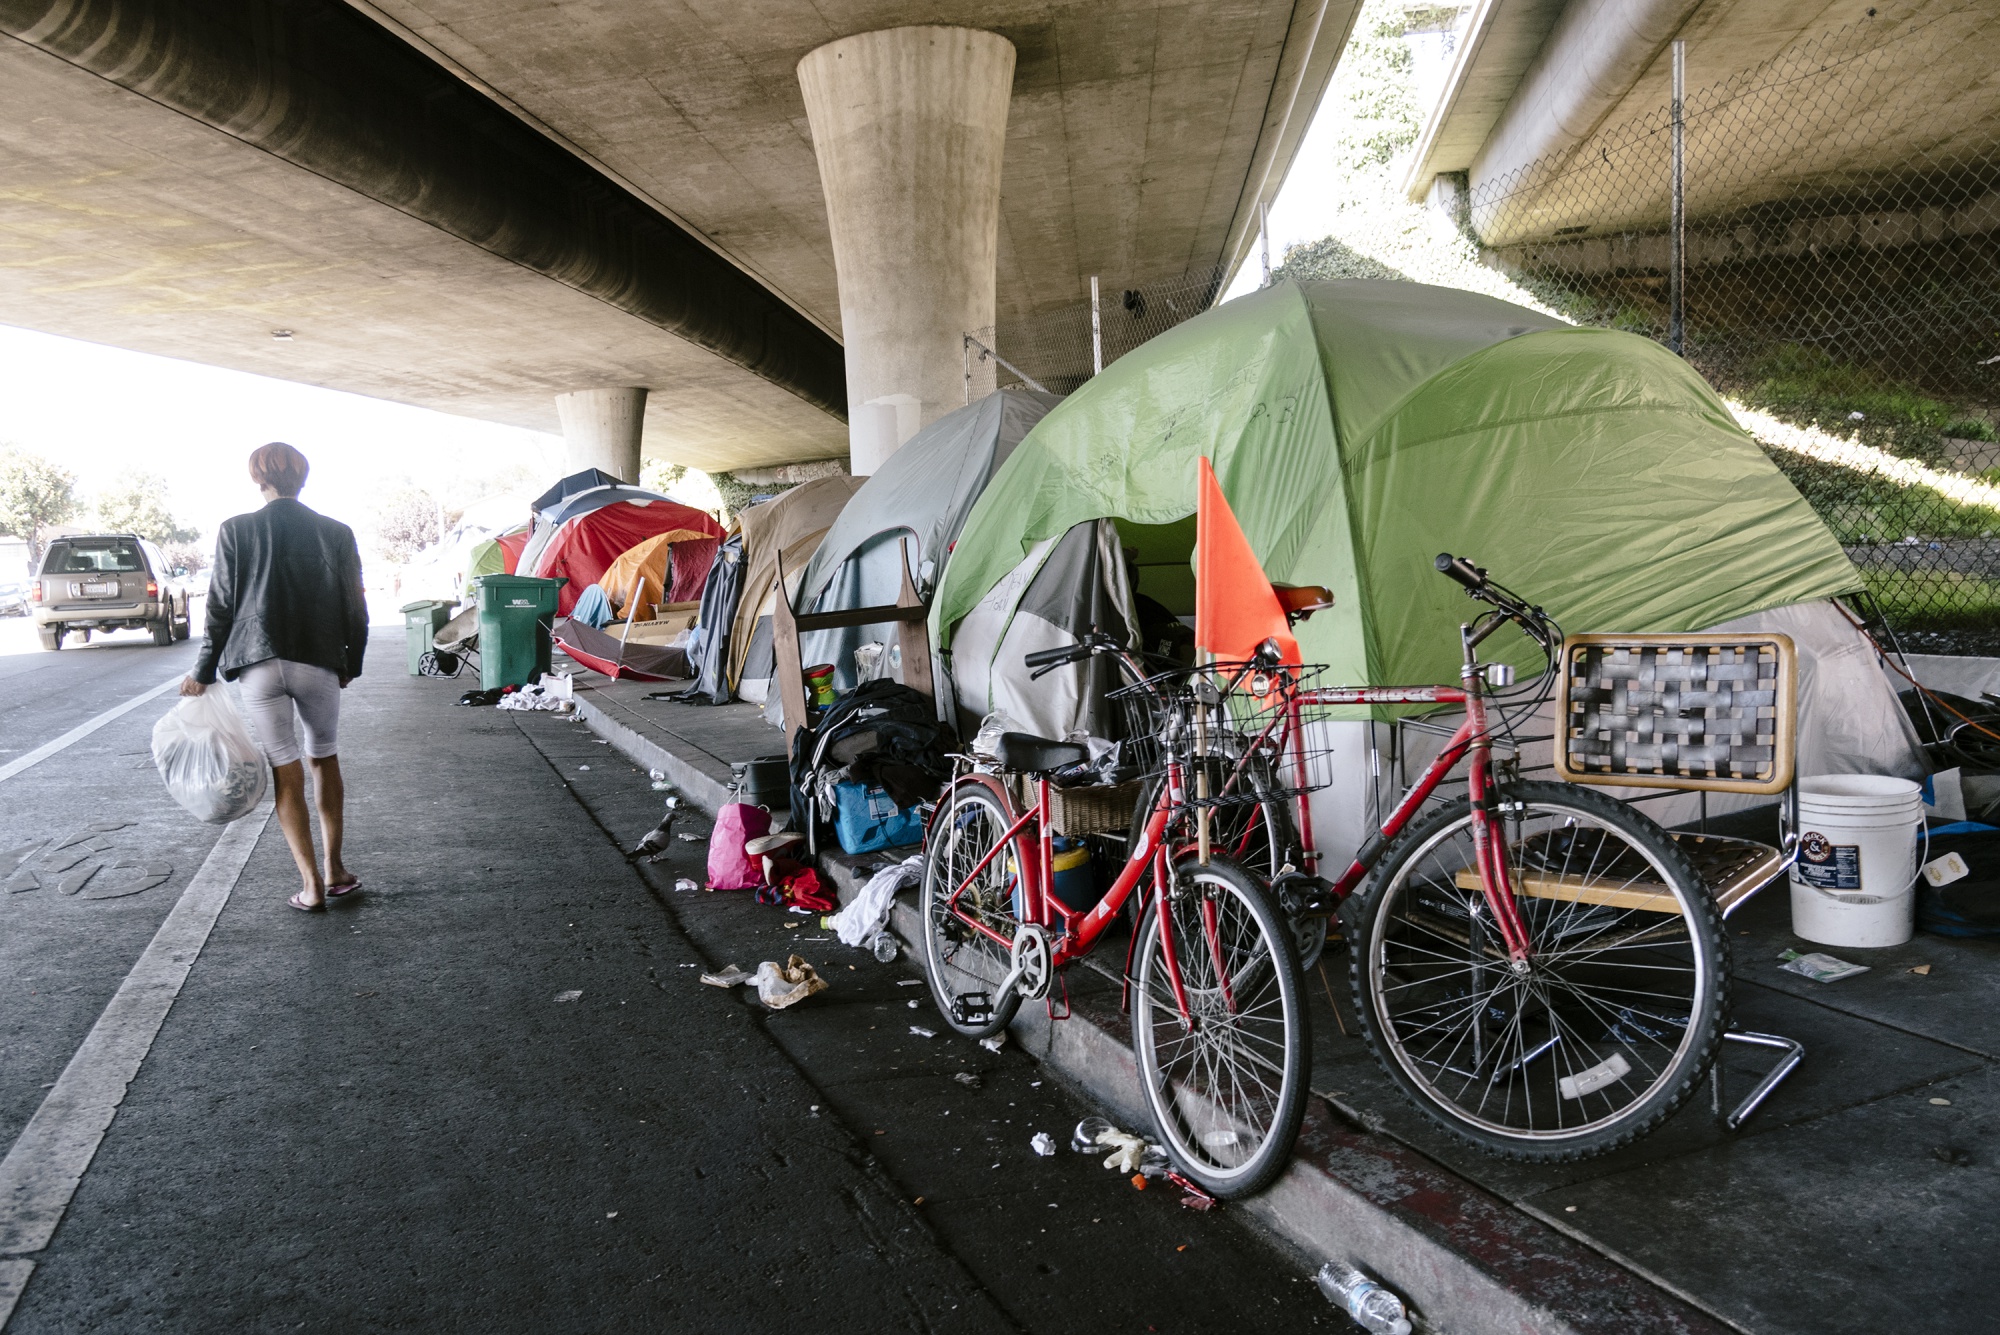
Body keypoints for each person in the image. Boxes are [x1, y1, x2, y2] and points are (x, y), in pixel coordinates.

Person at [183, 443, 368, 912]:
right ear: (303, 479)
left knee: (285, 768)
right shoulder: (336, 532)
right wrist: (351, 663)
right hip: (318, 660)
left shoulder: (236, 530)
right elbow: (355, 605)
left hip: (258, 664)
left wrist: (203, 671)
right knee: (323, 757)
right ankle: (336, 869)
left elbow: (220, 606)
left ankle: (310, 886)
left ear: (257, 480)